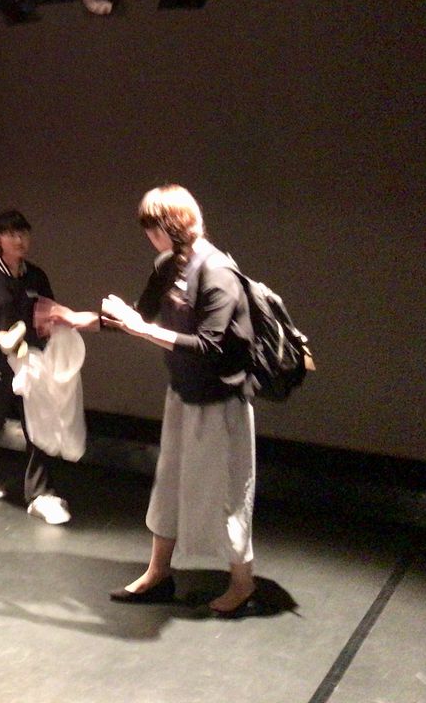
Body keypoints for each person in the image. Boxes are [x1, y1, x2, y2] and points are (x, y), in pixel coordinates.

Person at [100, 184, 258, 616]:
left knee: (228, 492)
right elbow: (141, 313)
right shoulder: (168, 264)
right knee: (168, 482)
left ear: (171, 227)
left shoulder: (217, 271)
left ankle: (242, 582)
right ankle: (158, 572)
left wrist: (140, 329)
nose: (149, 237)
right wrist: (75, 320)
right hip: (183, 394)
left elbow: (210, 346)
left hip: (221, 403)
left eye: (153, 228)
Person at [0, 210, 75, 524]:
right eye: (11, 234)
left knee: (38, 423)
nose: (19, 240)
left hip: (29, 360)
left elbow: (49, 313)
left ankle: (40, 495)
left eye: (23, 233)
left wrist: (51, 328)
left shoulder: (36, 276)